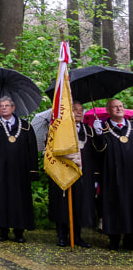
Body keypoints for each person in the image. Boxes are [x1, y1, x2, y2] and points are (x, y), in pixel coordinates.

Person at [0, 96, 39, 243]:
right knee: (1, 199)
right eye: (1, 106)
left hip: (21, 171)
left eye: (7, 105)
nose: (4, 108)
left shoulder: (25, 126)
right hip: (0, 171)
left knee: (20, 200)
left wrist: (33, 171)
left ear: (13, 108)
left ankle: (19, 231)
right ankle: (3, 230)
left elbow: (32, 149)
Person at [48, 101, 104, 247]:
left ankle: (77, 236)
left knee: (80, 205)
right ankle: (62, 236)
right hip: (64, 172)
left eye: (81, 110)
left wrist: (99, 134)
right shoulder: (60, 129)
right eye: (75, 109)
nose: (78, 112)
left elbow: (99, 150)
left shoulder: (89, 130)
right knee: (63, 205)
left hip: (83, 175)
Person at [97, 98, 133, 249]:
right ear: (108, 110)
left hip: (131, 176)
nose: (119, 109)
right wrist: (98, 136)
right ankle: (114, 239)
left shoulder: (132, 126)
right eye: (115, 107)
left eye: (121, 106)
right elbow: (98, 152)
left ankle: (130, 239)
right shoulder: (103, 128)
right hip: (112, 175)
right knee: (114, 205)